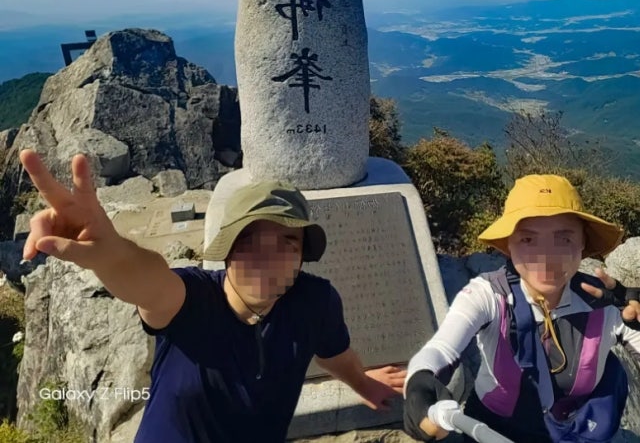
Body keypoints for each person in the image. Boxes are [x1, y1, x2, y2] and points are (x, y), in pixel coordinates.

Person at [18, 150, 406, 443]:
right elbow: (146, 278)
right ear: (229, 249)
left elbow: (333, 352)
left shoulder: (314, 302)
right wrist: (111, 251)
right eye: (252, 240)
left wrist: (363, 383)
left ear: (302, 257)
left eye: (287, 242)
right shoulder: (191, 300)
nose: (270, 258)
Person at [403, 174, 640, 443]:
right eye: (529, 240)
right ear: (509, 246)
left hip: (576, 434)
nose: (546, 257)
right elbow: (439, 350)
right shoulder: (488, 295)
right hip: (491, 431)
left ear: (582, 245)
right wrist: (419, 383)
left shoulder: (606, 305)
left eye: (563, 239)